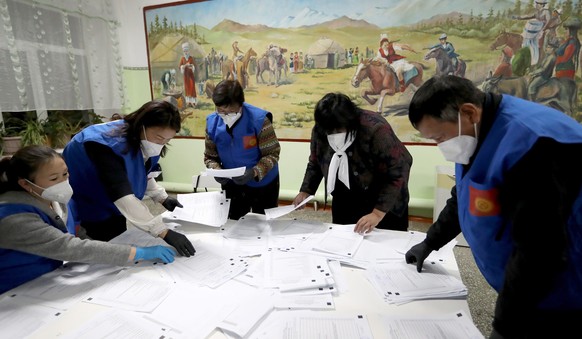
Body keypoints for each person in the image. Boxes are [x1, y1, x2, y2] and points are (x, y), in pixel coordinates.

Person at [404, 75, 582, 338]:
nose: (440, 146)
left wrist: (505, 325)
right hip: (521, 283)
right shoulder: (472, 134)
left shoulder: (535, 144)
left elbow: (540, 250)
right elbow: (466, 193)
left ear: (469, 112)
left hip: (559, 289)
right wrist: (431, 241)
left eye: (440, 137)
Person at [0, 145, 176, 294]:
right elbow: (67, 246)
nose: (63, 182)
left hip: (49, 279)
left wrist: (107, 255)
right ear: (25, 184)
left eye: (65, 174)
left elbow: (78, 233)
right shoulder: (13, 216)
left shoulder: (59, 198)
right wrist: (139, 253)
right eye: (54, 178)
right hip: (15, 292)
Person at [63, 100, 196, 257]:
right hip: (92, 208)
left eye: (167, 140)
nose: (162, 144)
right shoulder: (105, 145)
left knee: (120, 239)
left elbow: (140, 170)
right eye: (159, 138)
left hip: (113, 208)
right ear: (142, 125)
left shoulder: (142, 139)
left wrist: (160, 196)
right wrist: (163, 232)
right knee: (104, 254)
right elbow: (122, 196)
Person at [293, 93, 412, 233]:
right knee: (344, 241)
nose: (333, 134)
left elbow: (399, 169)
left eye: (338, 130)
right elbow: (315, 162)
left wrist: (377, 213)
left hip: (381, 196)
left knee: (384, 245)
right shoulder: (321, 129)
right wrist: (306, 191)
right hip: (344, 196)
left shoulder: (375, 128)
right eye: (329, 131)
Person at [204, 80, 281, 220]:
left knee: (265, 224)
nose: (225, 115)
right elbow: (210, 157)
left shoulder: (259, 120)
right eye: (220, 111)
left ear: (240, 104)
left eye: (230, 111)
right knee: (233, 223)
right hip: (232, 185)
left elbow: (272, 154)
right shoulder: (211, 123)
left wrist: (254, 172)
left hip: (263, 183)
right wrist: (216, 170)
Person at [179, 42, 197, 108]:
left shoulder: (191, 58)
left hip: (191, 76)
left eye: (186, 51)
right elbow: (180, 66)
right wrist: (183, 66)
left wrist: (191, 66)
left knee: (192, 88)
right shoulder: (182, 58)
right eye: (184, 51)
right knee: (187, 88)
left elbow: (194, 66)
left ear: (188, 51)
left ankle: (193, 102)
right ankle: (188, 102)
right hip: (186, 76)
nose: (185, 52)